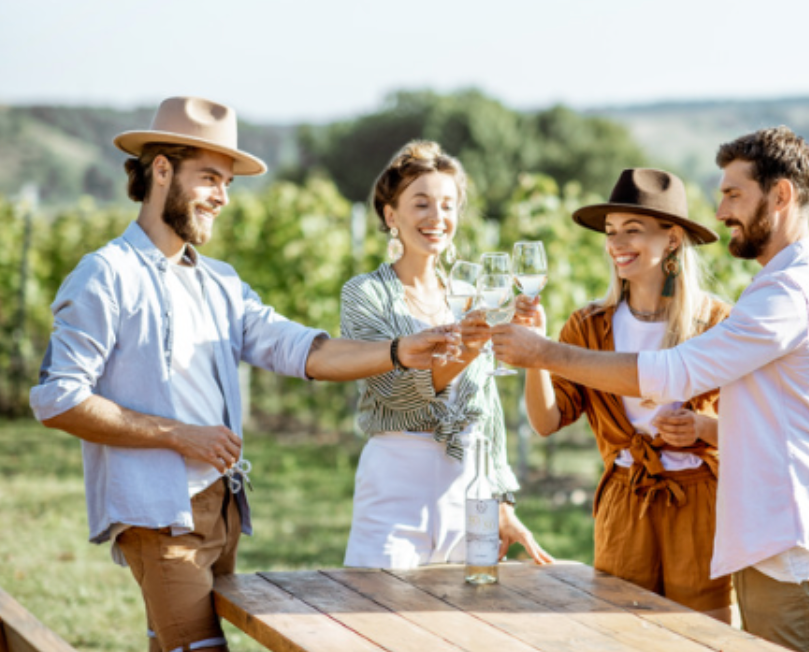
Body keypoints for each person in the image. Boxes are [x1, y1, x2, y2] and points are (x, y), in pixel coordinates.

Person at [29, 96, 458, 652]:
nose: (223, 198)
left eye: (227, 183)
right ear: (161, 170)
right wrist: (179, 435)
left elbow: (301, 349)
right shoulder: (105, 275)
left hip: (221, 507)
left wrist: (401, 349)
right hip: (161, 516)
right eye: (210, 178)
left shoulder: (220, 282)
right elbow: (58, 399)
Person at [490, 127, 809, 652]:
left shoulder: (784, 294)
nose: (721, 210)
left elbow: (673, 372)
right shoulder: (780, 287)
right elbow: (767, 416)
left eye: (733, 194)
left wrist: (542, 352)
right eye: (611, 231)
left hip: (783, 533)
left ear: (780, 195)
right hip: (753, 529)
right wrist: (543, 354)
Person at [510, 168, 734, 620]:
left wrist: (701, 427)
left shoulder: (717, 323)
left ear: (672, 239)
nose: (616, 243)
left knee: (704, 636)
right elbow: (546, 422)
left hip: (699, 506)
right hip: (626, 503)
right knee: (620, 634)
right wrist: (536, 352)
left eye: (633, 231)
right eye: (611, 232)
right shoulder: (589, 326)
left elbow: (753, 429)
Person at [340, 140, 552, 569]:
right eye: (421, 204)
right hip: (396, 484)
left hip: (468, 491)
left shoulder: (473, 298)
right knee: (377, 623)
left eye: (448, 206)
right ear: (390, 215)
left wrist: (502, 501)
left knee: (466, 627)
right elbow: (393, 390)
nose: (437, 218)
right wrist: (470, 350)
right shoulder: (364, 294)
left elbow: (487, 410)